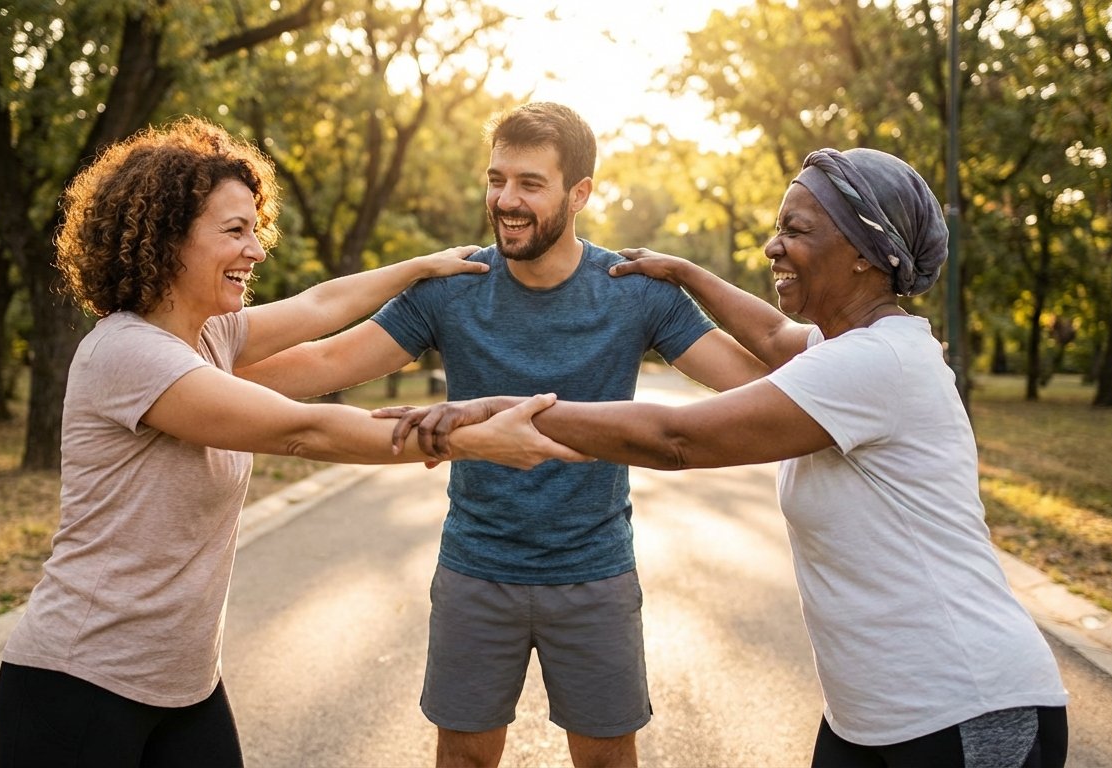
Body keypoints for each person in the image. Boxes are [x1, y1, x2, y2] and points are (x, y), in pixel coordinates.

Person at [383, 148, 1071, 768]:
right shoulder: (848, 351)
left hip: (964, 708)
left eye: (797, 230)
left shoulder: (875, 363)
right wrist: (684, 271)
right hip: (872, 719)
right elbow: (772, 335)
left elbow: (676, 439)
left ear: (865, 252)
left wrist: (490, 411)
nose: (774, 245)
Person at [0, 116, 579, 768]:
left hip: (184, 687)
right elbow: (304, 429)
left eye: (255, 228)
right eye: (234, 232)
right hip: (80, 684)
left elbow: (320, 305)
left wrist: (421, 267)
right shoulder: (128, 354)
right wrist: (474, 441)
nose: (256, 250)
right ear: (166, 240)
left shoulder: (210, 334)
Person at [236, 102, 765, 767]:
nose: (505, 200)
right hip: (476, 567)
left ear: (580, 194)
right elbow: (325, 362)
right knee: (464, 757)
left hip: (595, 571)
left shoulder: (636, 293)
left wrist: (841, 373)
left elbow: (745, 382)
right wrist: (196, 374)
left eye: (529, 184)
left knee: (606, 760)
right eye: (496, 179)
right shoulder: (452, 290)